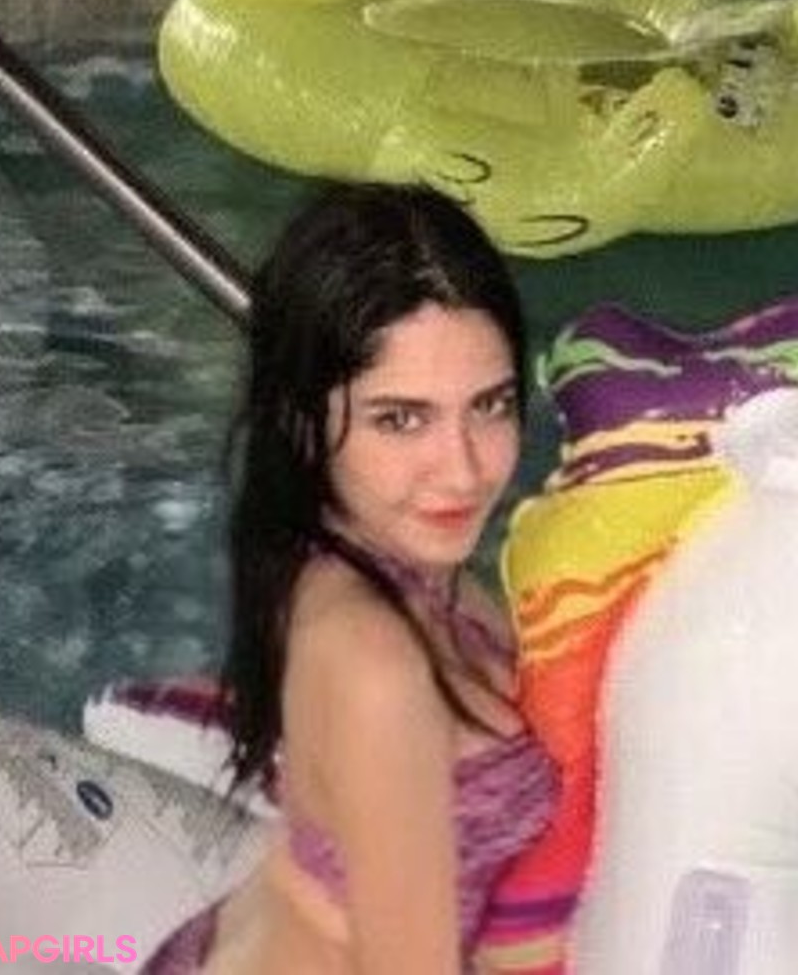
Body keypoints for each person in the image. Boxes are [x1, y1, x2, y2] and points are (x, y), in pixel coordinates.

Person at [143, 184, 560, 975]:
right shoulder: (375, 662)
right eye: (400, 418)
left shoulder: (407, 572)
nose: (463, 469)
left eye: (490, 405)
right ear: (303, 420)